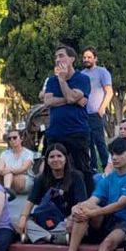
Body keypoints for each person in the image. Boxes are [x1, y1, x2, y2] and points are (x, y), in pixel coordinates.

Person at [40, 45, 92, 194]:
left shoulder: (82, 79)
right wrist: (74, 99)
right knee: (55, 168)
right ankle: (54, 199)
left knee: (82, 168)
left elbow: (70, 97)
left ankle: (87, 200)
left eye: (61, 56)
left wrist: (63, 81)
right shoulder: (51, 81)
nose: (58, 60)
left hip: (77, 131)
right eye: (56, 57)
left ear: (72, 59)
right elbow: (48, 102)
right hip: (56, 132)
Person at [13, 141, 80, 245]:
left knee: (78, 224)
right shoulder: (41, 179)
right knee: (22, 221)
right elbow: (30, 202)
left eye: (59, 156)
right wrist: (22, 218)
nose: (56, 159)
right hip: (44, 219)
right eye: (52, 157)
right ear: (47, 161)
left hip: (65, 221)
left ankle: (39, 236)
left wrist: (71, 218)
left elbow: (81, 204)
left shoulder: (76, 177)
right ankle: (52, 238)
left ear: (65, 158)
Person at [80, 47, 114, 173]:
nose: (86, 59)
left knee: (99, 142)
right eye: (84, 57)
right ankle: (93, 168)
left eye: (89, 57)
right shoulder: (81, 74)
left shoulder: (102, 72)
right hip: (83, 114)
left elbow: (109, 92)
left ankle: (106, 167)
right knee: (88, 143)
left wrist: (101, 109)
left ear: (95, 58)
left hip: (96, 113)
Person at [0, 129, 37, 196]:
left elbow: (23, 169)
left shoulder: (28, 153)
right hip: (7, 178)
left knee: (8, 172)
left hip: (24, 179)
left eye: (15, 137)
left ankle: (6, 193)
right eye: (9, 138)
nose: (12, 140)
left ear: (21, 139)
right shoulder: (5, 153)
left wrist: (10, 170)